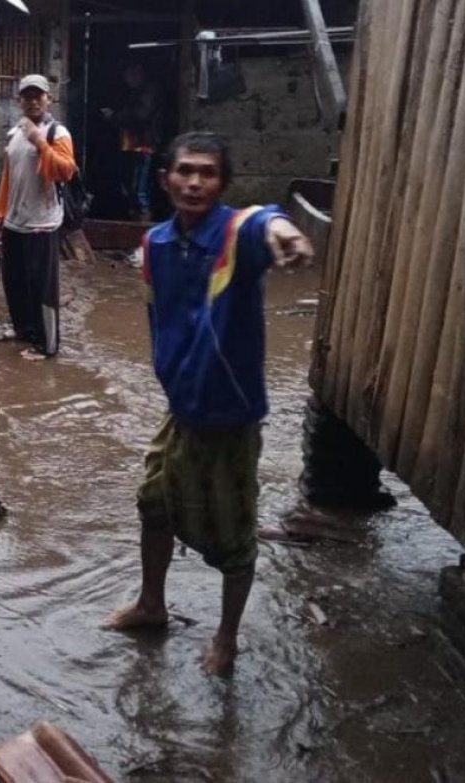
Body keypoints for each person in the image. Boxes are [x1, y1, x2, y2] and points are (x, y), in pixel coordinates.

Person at [106, 132, 313, 675]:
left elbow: (264, 219)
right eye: (185, 171)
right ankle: (152, 604)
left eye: (208, 173)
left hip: (229, 415)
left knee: (234, 535)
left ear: (222, 184)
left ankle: (226, 639)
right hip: (181, 408)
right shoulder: (155, 244)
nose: (195, 182)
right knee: (153, 502)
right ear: (165, 178)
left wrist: (285, 229)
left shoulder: (235, 234)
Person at [0, 74, 78, 360]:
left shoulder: (58, 133)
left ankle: (48, 345)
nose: (33, 101)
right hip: (15, 221)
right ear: (20, 101)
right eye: (27, 96)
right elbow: (8, 177)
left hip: (42, 222)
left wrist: (40, 142)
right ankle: (23, 330)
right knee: (15, 282)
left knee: (43, 286)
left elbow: (66, 170)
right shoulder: (15, 134)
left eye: (38, 96)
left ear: (48, 99)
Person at [100, 63, 161, 222]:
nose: (128, 80)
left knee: (139, 191)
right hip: (132, 145)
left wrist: (114, 117)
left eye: (131, 75)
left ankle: (142, 230)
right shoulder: (136, 93)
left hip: (143, 145)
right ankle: (134, 224)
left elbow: (140, 115)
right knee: (130, 189)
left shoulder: (148, 92)